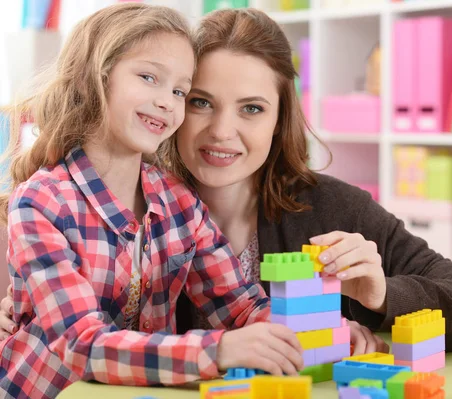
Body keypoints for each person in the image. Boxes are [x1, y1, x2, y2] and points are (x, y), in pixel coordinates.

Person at [1, 7, 452, 354]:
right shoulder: (141, 204)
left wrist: (380, 297)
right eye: (199, 101)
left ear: (279, 118)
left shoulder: (330, 208)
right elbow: (73, 329)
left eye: (252, 109)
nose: (222, 131)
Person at [0, 4, 303, 399]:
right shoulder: (41, 203)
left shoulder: (180, 203)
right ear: (96, 78)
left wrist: (323, 333)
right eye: (149, 78)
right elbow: (81, 344)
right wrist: (219, 350)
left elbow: (240, 307)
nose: (167, 102)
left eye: (180, 90)